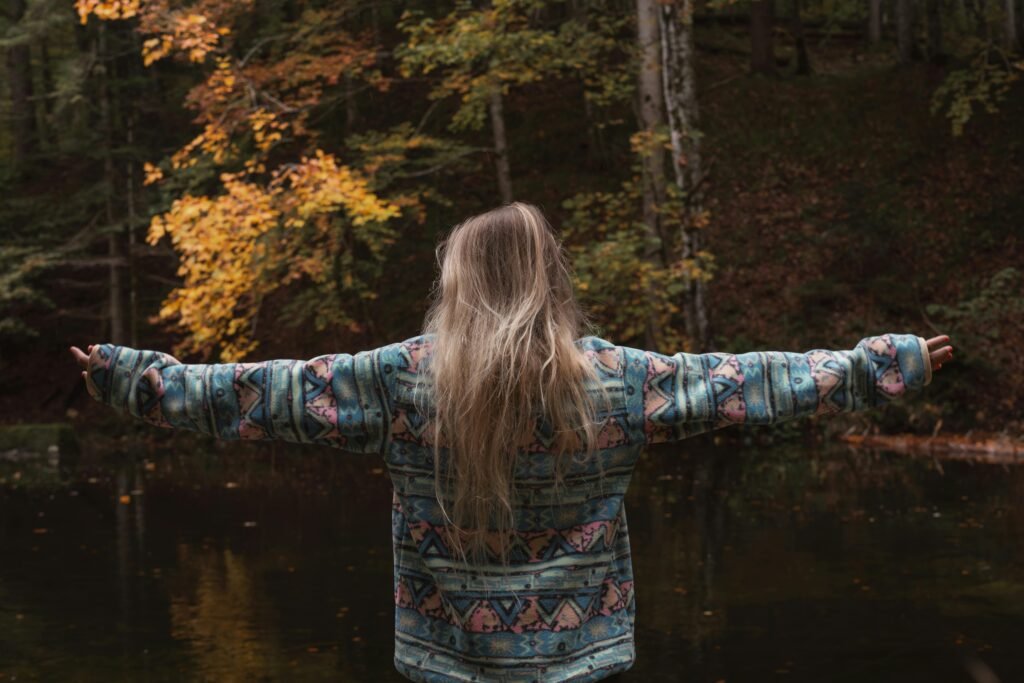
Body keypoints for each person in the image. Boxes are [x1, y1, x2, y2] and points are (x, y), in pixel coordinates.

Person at [70, 201, 953, 682]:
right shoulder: (616, 380)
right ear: (546, 279)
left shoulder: (402, 379)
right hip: (583, 660)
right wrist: (880, 365)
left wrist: (136, 378)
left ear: (459, 285)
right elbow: (750, 382)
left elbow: (261, 394)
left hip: (445, 658)